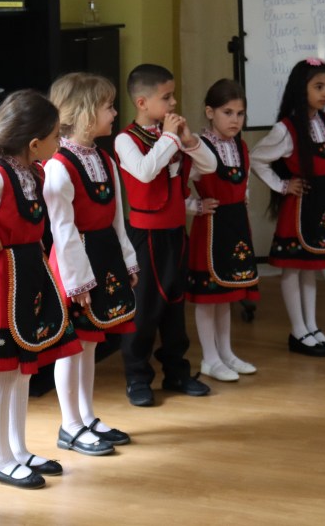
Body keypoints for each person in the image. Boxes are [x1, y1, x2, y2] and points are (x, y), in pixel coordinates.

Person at [0, 90, 81, 488]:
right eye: (56, 135)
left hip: (29, 273)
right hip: (2, 279)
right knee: (2, 372)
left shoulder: (34, 172)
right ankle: (0, 458)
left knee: (23, 369)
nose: (59, 142)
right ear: (34, 143)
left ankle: (18, 449)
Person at [44, 73, 137, 454]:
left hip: (103, 256)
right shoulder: (58, 166)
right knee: (73, 346)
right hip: (74, 264)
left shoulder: (105, 158)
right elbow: (62, 229)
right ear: (83, 113)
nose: (114, 113)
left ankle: (87, 415)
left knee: (91, 343)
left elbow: (117, 219)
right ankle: (70, 425)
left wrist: (127, 260)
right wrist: (78, 281)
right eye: (108, 107)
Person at [116, 64, 217, 406]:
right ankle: (137, 376)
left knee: (175, 305)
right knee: (145, 308)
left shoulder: (171, 136)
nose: (173, 103)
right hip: (145, 236)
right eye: (167, 97)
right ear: (142, 102)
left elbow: (210, 166)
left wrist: (188, 141)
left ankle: (176, 372)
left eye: (173, 96)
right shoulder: (125, 140)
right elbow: (145, 172)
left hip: (175, 232)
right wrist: (171, 139)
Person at [251, 58, 325, 357]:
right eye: (318, 87)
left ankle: (311, 326)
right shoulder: (286, 129)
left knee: (311, 268)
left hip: (324, 204)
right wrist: (283, 186)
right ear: (302, 89)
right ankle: (297, 330)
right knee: (293, 267)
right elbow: (257, 158)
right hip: (299, 207)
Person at [186, 79, 260, 382]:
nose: (235, 120)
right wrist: (195, 205)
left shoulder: (240, 146)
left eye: (240, 114)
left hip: (236, 225)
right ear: (210, 112)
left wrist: (243, 197)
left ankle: (226, 353)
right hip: (211, 227)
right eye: (227, 113)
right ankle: (210, 358)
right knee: (208, 296)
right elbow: (175, 185)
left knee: (227, 293)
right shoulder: (196, 146)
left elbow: (244, 183)